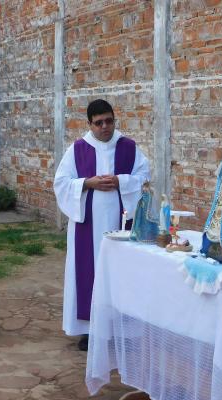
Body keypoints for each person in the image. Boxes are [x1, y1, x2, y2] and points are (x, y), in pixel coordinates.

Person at [54, 99, 150, 351]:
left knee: (120, 274)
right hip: (88, 227)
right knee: (89, 272)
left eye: (109, 121)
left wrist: (121, 181)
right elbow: (61, 183)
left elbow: (145, 178)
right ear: (90, 124)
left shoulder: (128, 147)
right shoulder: (78, 149)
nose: (105, 127)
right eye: (99, 123)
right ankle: (89, 329)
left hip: (121, 226)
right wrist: (87, 183)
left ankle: (122, 328)